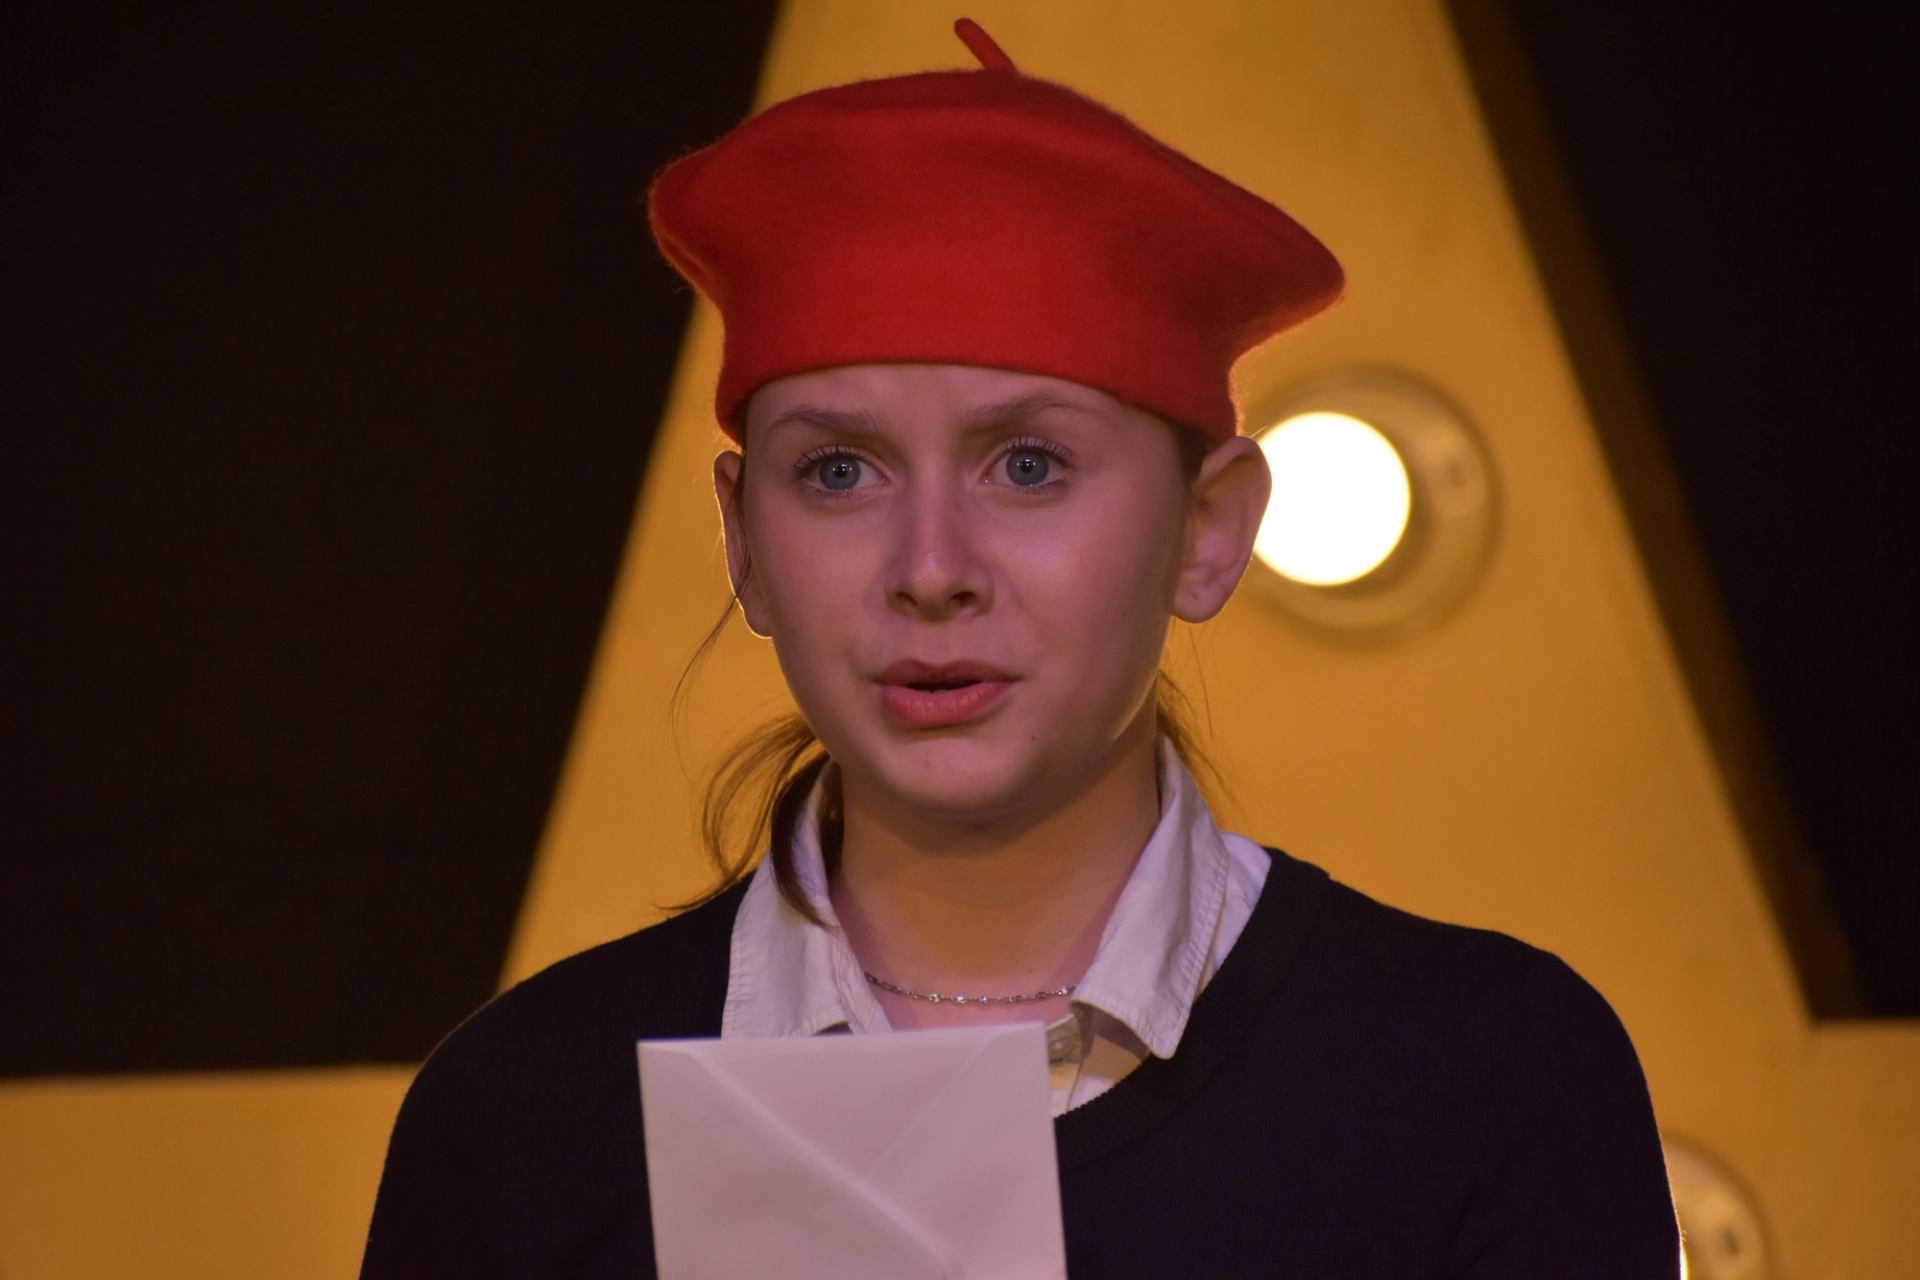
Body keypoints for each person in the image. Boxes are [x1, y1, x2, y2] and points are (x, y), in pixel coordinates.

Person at [361, 18, 1680, 1278]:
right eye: (836, 471)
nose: (931, 570)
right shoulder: (523, 1121)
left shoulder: (1489, 1078)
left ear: (1210, 531)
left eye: (1031, 464)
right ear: (742, 542)